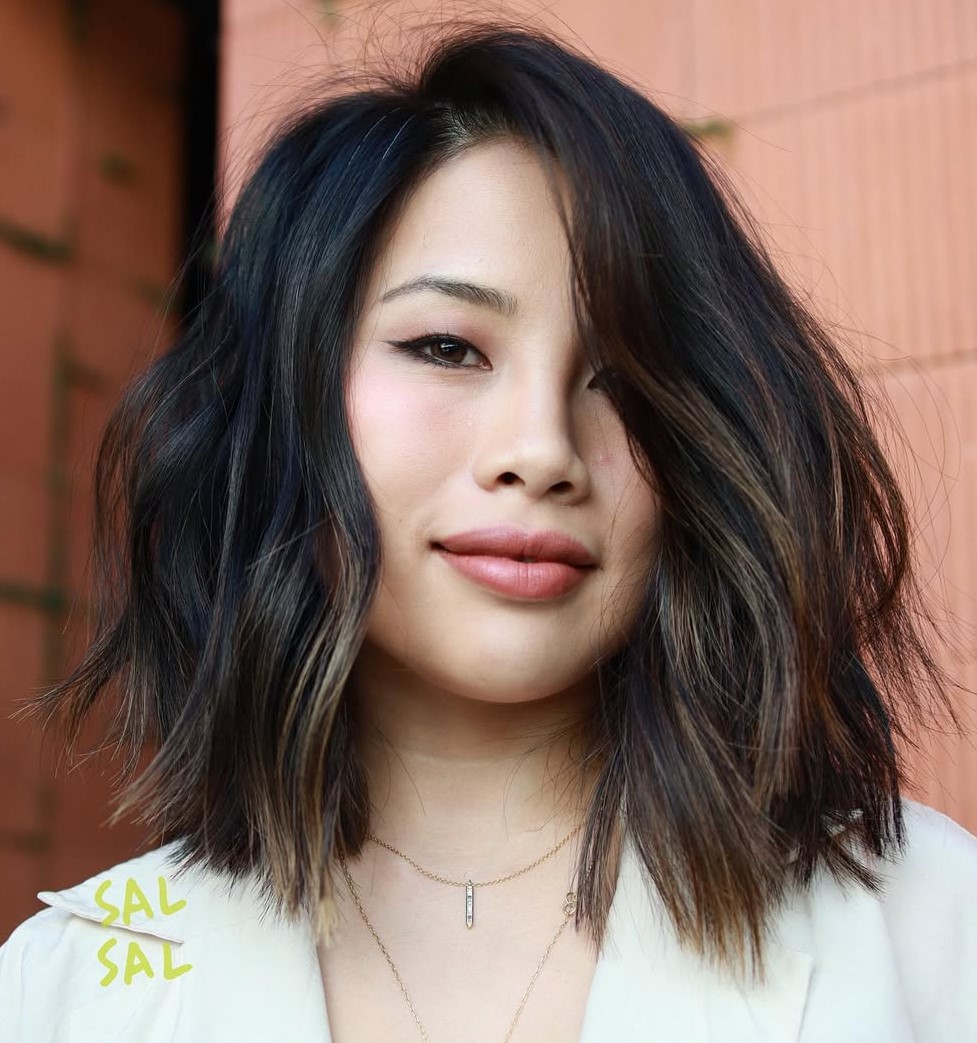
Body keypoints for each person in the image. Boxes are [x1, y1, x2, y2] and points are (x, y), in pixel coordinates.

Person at [1, 17, 975, 1043]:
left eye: (624, 379)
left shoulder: (928, 935)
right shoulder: (65, 993)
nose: (541, 447)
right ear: (284, 404)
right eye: (446, 346)